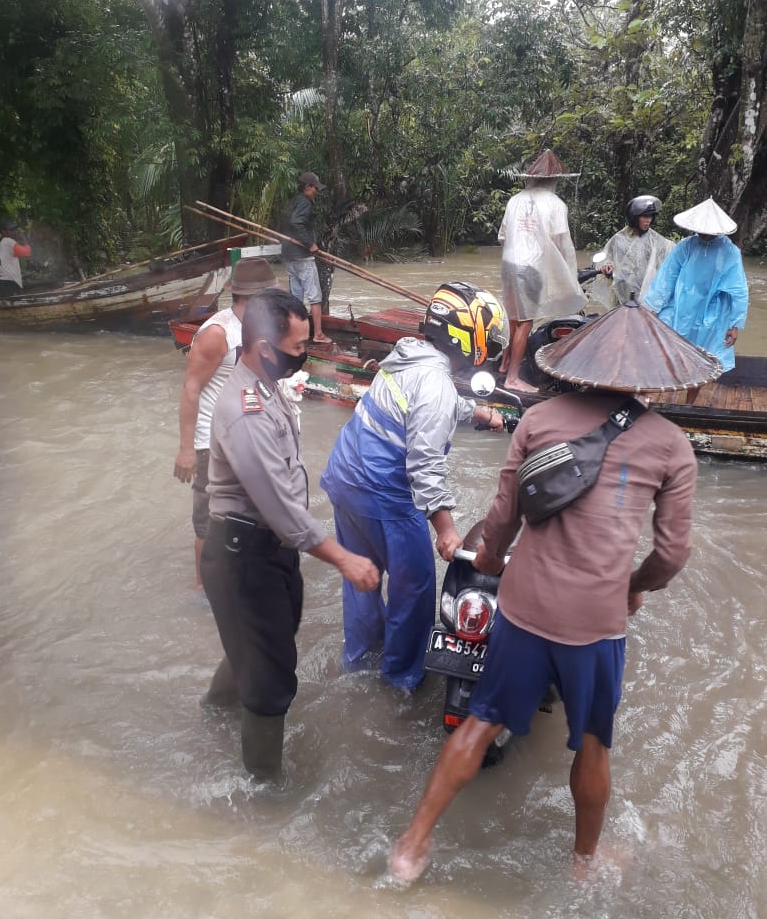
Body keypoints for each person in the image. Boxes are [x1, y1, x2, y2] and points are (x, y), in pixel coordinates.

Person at [389, 301, 707, 881]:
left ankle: (411, 845)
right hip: (596, 621)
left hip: (524, 606)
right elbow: (672, 555)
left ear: (576, 363)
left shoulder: (538, 420)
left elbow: (501, 520)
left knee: (482, 721)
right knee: (592, 742)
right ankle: (583, 864)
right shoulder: (670, 446)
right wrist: (633, 588)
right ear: (653, 376)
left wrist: (485, 558)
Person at [199, 288, 379, 781]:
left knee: (262, 644)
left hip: (263, 553)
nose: (306, 356)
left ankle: (212, 716)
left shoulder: (268, 389)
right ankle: (262, 794)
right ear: (263, 350)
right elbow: (279, 508)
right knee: (271, 679)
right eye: (299, 348)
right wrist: (344, 558)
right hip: (243, 555)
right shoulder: (245, 410)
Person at [320, 283, 507, 692]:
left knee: (362, 577)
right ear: (467, 339)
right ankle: (401, 679)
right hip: (384, 494)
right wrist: (446, 529)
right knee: (416, 589)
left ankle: (359, 661)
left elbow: (422, 408)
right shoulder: (436, 384)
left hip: (346, 479)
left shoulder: (407, 356)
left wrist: (475, 412)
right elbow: (423, 463)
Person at [173, 257, 277, 587]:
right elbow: (191, 390)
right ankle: (204, 590)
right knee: (210, 522)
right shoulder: (218, 334)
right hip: (212, 444)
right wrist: (186, 450)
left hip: (247, 440)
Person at [643, 197, 749, 404]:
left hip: (712, 313)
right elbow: (667, 276)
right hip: (681, 307)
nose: (704, 234)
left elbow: (738, 290)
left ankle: (689, 402)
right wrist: (654, 308)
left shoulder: (730, 252)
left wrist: (735, 325)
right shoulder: (686, 246)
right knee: (664, 349)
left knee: (703, 358)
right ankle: (650, 395)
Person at [497, 149, 586, 392]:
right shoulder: (556, 204)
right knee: (526, 322)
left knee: (512, 317)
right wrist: (569, 277)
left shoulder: (514, 200)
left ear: (531, 178)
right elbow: (562, 243)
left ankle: (504, 364)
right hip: (532, 266)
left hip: (509, 263)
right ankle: (513, 378)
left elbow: (503, 236)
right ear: (554, 180)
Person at [278, 172, 332, 344]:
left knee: (296, 297)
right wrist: (310, 244)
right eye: (316, 188)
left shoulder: (291, 202)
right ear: (307, 187)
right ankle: (318, 334)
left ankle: (295, 333)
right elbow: (296, 223)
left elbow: (286, 226)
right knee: (315, 297)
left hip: (289, 257)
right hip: (302, 257)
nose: (317, 191)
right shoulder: (304, 204)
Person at [596, 195, 674, 305]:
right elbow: (607, 258)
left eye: (650, 217)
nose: (648, 220)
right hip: (622, 292)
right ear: (634, 217)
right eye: (644, 217)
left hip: (646, 294)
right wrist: (607, 266)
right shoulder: (619, 239)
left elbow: (673, 256)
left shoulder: (655, 240)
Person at [0, 218, 31, 295]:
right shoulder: (8, 242)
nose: (14, 231)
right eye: (11, 229)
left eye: (14, 229)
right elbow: (27, 253)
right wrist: (23, 238)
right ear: (3, 231)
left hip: (4, 283)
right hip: (11, 283)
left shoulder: (1, 244)